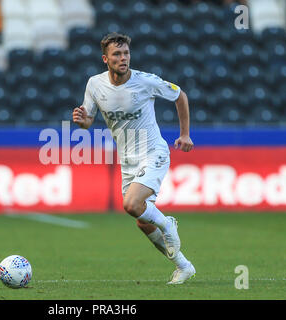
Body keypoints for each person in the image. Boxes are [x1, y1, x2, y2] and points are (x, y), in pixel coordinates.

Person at [72, 33, 195, 285]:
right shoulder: (95, 84)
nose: (123, 58)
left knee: (131, 204)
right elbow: (88, 120)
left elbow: (180, 95)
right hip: (128, 161)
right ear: (105, 59)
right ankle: (183, 266)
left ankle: (169, 225)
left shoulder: (146, 81)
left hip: (154, 153)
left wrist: (185, 134)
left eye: (126, 53)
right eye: (117, 54)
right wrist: (82, 121)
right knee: (141, 221)